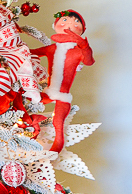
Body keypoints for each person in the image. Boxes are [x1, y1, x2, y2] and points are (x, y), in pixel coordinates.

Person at [31, 10, 94, 153]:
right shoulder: (52, 49)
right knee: (27, 102)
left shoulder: (78, 51)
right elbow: (31, 52)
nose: (70, 24)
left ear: (81, 30)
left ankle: (55, 149)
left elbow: (89, 61)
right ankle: (31, 130)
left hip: (63, 96)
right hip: (47, 93)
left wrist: (84, 46)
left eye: (76, 22)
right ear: (56, 25)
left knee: (58, 122)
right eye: (65, 20)